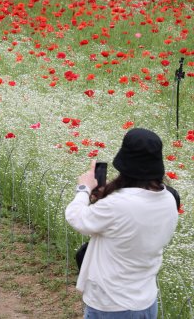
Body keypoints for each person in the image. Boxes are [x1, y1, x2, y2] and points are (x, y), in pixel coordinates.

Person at [65, 128, 179, 319]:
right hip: (145, 301)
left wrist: (84, 188)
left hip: (111, 303)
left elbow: (76, 217)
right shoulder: (168, 199)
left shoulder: (118, 204)